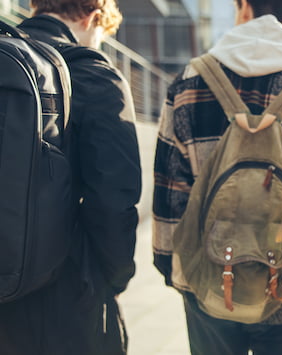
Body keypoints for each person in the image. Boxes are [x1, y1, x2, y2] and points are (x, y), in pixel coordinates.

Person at [152, 0, 282, 353]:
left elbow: (170, 191)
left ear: (242, 6)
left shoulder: (190, 82)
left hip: (208, 282)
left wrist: (172, 267)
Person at [0, 1, 142, 354]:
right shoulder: (94, 74)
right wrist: (116, 277)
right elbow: (114, 199)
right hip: (64, 293)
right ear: (94, 17)